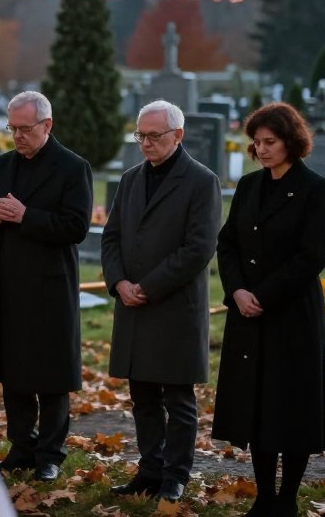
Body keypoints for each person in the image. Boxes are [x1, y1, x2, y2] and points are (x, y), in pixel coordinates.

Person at [211, 103, 325, 517]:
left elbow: (310, 255)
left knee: (292, 407)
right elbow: (227, 243)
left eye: (270, 142)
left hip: (291, 315)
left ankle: (288, 499)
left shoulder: (315, 188)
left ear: (291, 142)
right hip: (248, 314)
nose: (262, 149)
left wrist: (262, 295)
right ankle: (265, 498)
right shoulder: (249, 186)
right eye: (257, 142)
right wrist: (238, 292)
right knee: (258, 406)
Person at [101, 99, 220, 504]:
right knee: (143, 397)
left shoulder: (201, 181)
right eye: (141, 136)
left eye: (155, 136)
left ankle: (176, 475)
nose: (146, 143)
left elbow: (199, 247)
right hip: (132, 303)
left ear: (178, 135)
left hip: (172, 305)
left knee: (178, 398)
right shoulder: (132, 178)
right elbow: (112, 236)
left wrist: (147, 286)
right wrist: (118, 282)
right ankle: (150, 469)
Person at [0, 91, 92, 481]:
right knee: (14, 368)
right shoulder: (3, 165)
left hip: (51, 283)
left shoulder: (73, 167)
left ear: (47, 125)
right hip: (8, 279)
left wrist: (26, 216)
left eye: (26, 129)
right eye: (13, 128)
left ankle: (49, 454)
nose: (18, 136)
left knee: (50, 373)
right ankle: (21, 446)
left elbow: (76, 227)